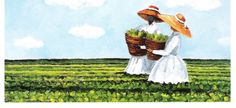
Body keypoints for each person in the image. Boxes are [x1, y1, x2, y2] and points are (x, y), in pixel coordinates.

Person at [147, 13, 192, 84]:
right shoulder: (173, 35)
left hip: (171, 59)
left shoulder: (176, 38)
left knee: (169, 77)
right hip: (168, 57)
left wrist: (153, 51)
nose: (170, 25)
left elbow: (166, 52)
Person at [124, 5, 163, 75]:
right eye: (148, 15)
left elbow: (157, 39)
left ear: (154, 18)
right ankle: (134, 71)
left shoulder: (156, 28)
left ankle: (144, 71)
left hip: (148, 47)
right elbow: (135, 32)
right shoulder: (142, 25)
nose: (150, 17)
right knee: (138, 56)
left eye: (151, 16)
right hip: (139, 46)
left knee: (145, 58)